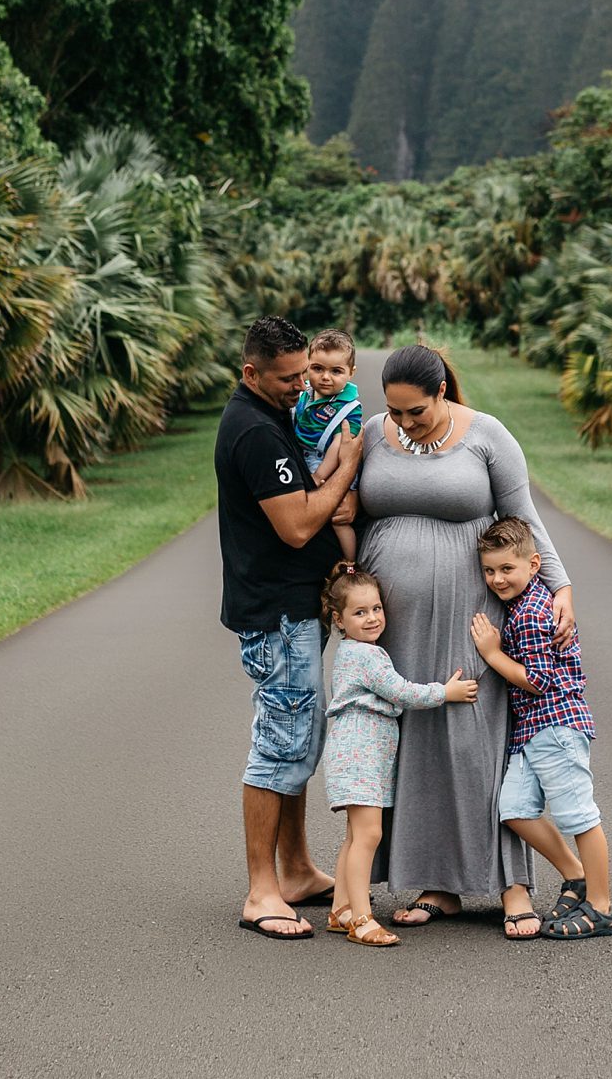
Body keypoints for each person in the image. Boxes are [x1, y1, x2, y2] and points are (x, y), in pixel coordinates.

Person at [354, 342, 579, 940]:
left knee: (476, 739)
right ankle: (437, 884)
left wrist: (560, 586)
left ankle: (513, 884)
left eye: (415, 413)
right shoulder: (372, 433)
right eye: (394, 412)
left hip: (471, 616)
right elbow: (347, 512)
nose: (402, 423)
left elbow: (523, 516)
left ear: (442, 394)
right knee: (418, 738)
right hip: (395, 622)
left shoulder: (487, 435)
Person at [216, 316, 364, 941]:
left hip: (296, 605)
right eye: (287, 377)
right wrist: (346, 467)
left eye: (306, 371)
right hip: (275, 611)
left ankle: (297, 869)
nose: (302, 385)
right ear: (251, 373)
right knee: (279, 743)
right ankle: (261, 891)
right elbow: (298, 526)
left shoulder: (280, 410)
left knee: (300, 736)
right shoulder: (253, 430)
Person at [469, 515, 612, 940]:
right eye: (490, 570)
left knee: (580, 817)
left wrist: (492, 654)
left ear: (535, 564)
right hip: (530, 733)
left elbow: (538, 680)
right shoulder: (521, 605)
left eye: (507, 569)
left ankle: (601, 906)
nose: (497, 579)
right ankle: (577, 875)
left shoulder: (534, 612)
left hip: (556, 726)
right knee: (513, 810)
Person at [318, 562, 479, 947]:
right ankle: (361, 918)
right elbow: (402, 692)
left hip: (356, 757)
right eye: (360, 612)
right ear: (339, 620)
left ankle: (342, 910)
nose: (372, 618)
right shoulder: (367, 657)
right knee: (368, 835)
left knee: (355, 836)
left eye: (376, 608)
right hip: (360, 759)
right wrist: (446, 692)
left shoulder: (357, 652)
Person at [293, 329, 363, 563]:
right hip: (304, 456)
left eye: (336, 371)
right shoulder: (305, 395)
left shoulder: (349, 407)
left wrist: (320, 475)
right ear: (307, 366)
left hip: (332, 464)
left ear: (350, 373)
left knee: (338, 518)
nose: (325, 377)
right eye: (318, 369)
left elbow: (339, 445)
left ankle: (350, 562)